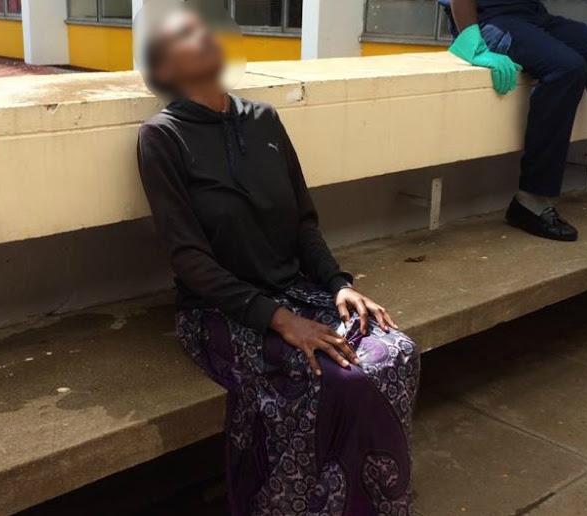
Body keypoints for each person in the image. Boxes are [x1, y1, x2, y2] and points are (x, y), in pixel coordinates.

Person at [135, 5, 420, 515]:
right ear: (165, 66)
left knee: (396, 350)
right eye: (184, 36)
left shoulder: (264, 119)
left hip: (297, 288)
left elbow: (302, 222)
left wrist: (337, 283)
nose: (204, 37)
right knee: (332, 378)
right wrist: (283, 321)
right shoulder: (163, 137)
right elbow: (187, 259)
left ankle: (372, 499)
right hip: (220, 310)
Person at [440, 0, 587, 242]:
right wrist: (473, 43)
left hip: (531, 14)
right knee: (567, 68)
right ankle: (531, 200)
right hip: (490, 20)